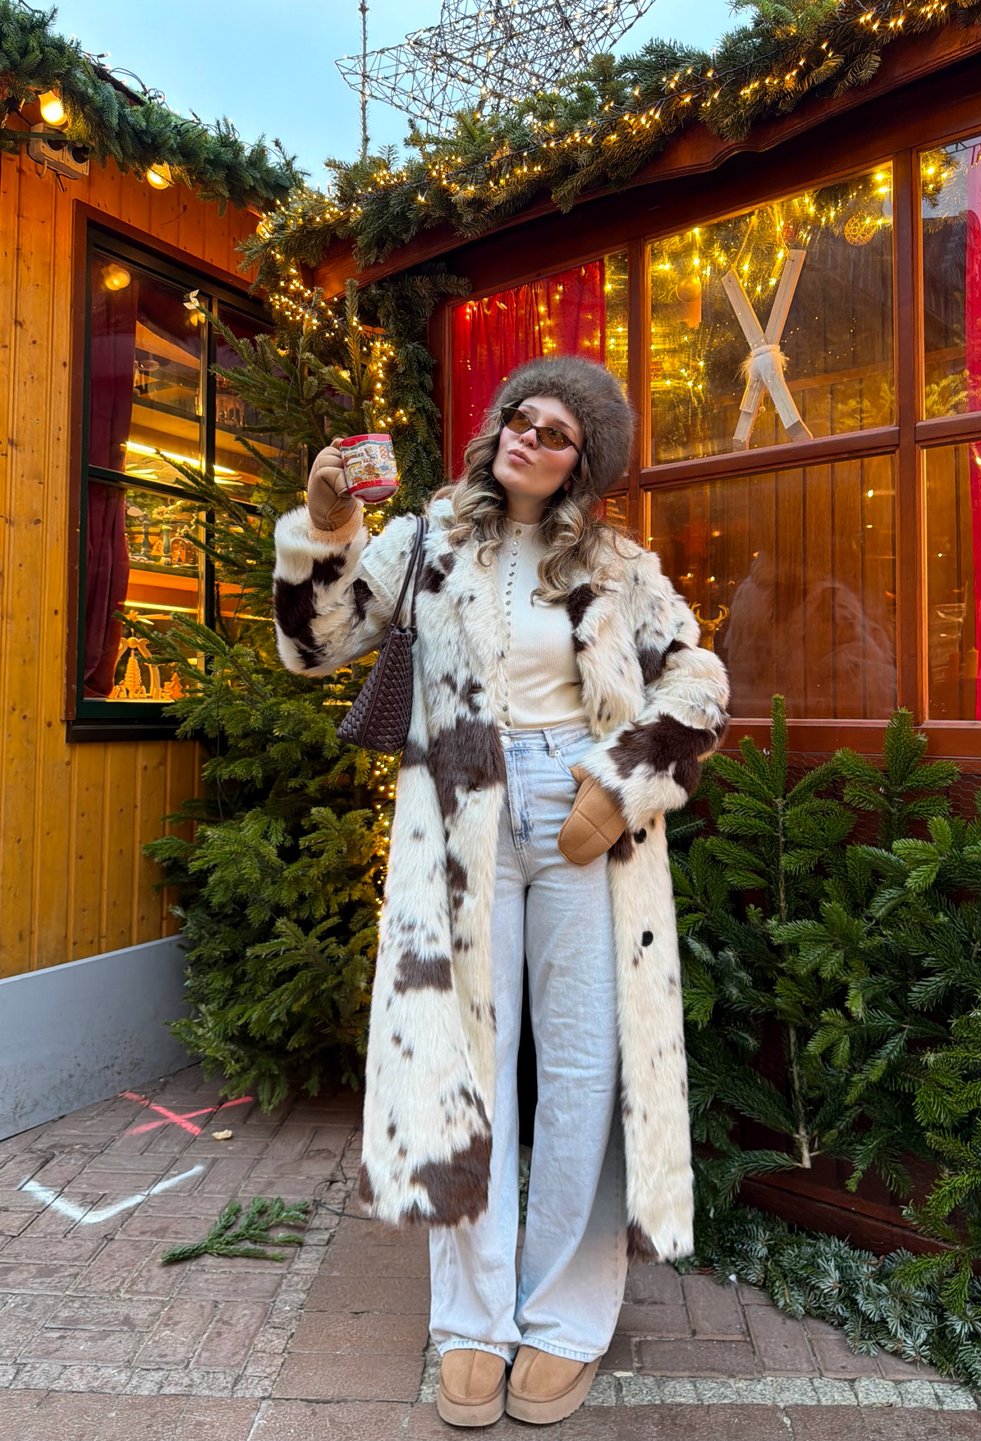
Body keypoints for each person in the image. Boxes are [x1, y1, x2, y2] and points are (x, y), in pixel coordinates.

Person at [272, 356, 729, 1427]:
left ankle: (566, 1316)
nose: (527, 436)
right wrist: (324, 524)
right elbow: (313, 642)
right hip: (461, 813)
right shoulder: (430, 535)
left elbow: (698, 681)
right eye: (519, 418)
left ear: (586, 463)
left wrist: (624, 783)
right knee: (467, 1064)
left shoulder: (619, 564)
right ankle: (473, 1318)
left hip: (581, 814)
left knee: (580, 1066)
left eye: (556, 431)